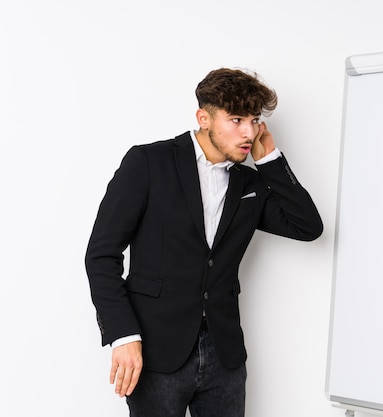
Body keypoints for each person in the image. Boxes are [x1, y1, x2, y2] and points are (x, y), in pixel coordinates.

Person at [85, 68, 323, 417]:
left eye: (255, 120)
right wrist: (124, 335)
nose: (248, 131)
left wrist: (269, 157)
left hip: (224, 356)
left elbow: (308, 226)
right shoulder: (149, 163)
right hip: (155, 350)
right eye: (237, 119)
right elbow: (101, 255)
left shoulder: (250, 184)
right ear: (204, 118)